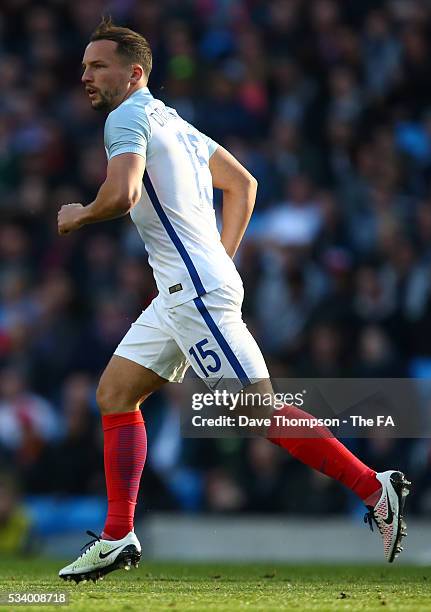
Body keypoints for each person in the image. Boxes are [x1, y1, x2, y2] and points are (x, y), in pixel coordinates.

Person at [57, 17, 410, 583]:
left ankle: (376, 488)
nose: (87, 76)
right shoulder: (175, 122)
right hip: (183, 291)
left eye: (98, 66)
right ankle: (119, 535)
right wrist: (220, 259)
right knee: (115, 394)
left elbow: (121, 195)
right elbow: (244, 184)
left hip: (193, 292)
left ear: (135, 72)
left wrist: (79, 214)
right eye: (83, 67)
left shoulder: (126, 118)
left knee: (259, 412)